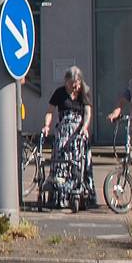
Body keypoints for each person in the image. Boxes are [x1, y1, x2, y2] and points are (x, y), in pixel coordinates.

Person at [40, 66, 94, 206]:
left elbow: (87, 112)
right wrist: (47, 126)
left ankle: (81, 194)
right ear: (66, 81)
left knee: (78, 162)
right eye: (71, 84)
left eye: (76, 84)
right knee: (60, 161)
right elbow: (50, 111)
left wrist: (84, 127)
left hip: (78, 133)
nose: (74, 87)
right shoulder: (60, 92)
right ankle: (59, 196)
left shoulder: (84, 92)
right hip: (63, 133)